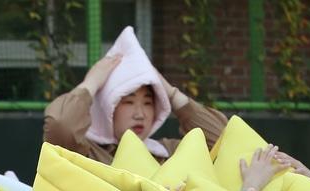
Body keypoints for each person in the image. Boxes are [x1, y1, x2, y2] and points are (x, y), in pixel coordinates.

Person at [43, 26, 226, 165]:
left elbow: (226, 144)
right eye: (129, 102)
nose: (140, 114)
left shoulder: (166, 153)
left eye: (148, 102)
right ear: (108, 107)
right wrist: (91, 83)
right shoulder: (85, 154)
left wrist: (168, 91)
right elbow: (60, 125)